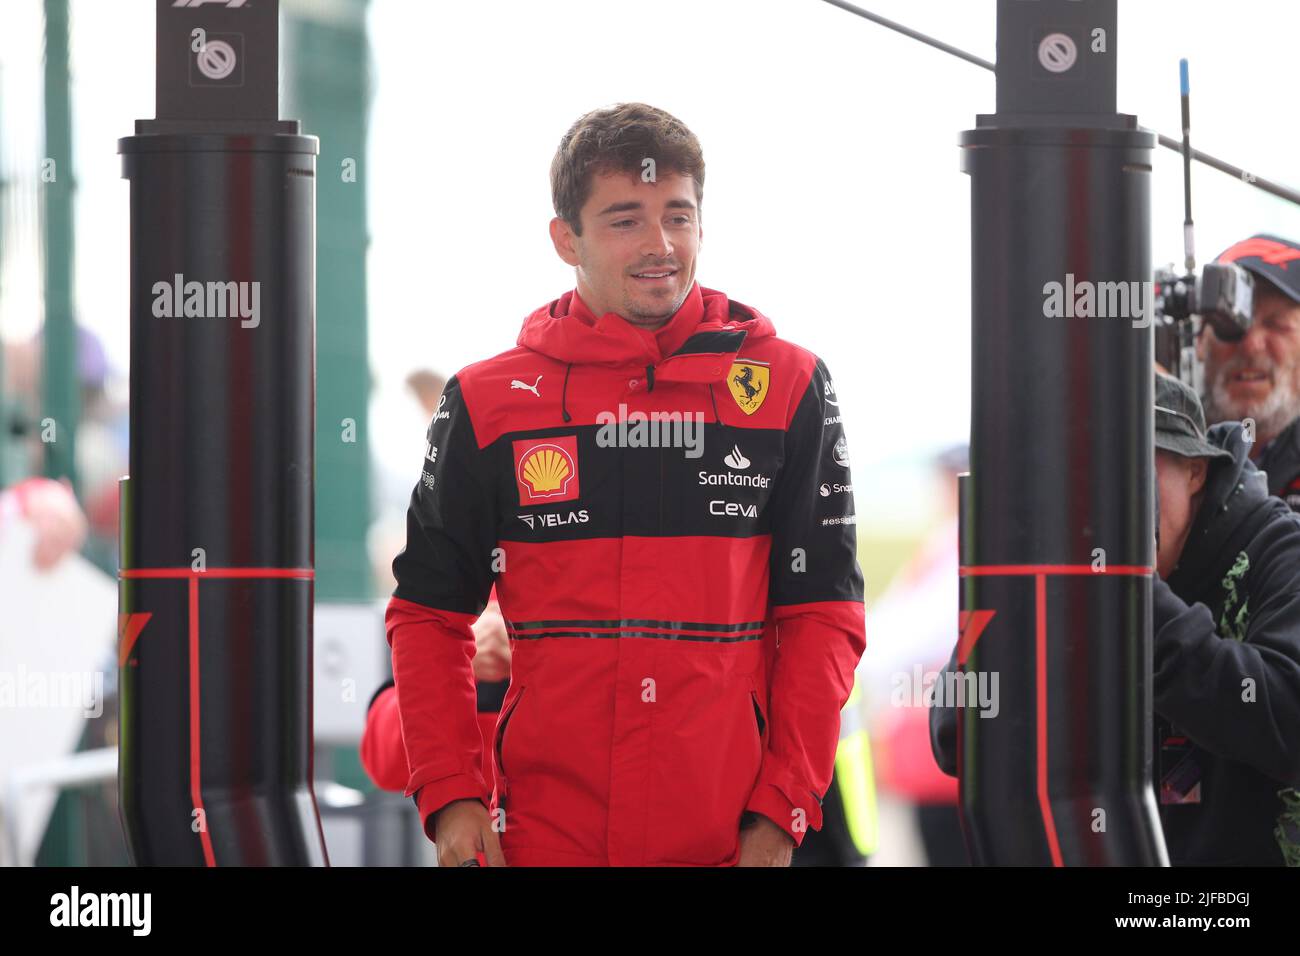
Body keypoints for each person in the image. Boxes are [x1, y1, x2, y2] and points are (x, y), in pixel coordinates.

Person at [386, 102, 865, 867]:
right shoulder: (486, 400)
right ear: (564, 238)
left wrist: (785, 810)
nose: (661, 245)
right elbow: (426, 616)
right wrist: (452, 795)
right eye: (625, 220)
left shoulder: (787, 384)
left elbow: (823, 616)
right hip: (542, 843)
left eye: (679, 215)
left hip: (726, 843)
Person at [930, 374, 1300, 865]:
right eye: (1087, 480)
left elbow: (1287, 718)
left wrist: (1135, 603)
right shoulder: (1063, 568)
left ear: (1195, 471)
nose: (1108, 506)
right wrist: (1018, 586)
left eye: (1128, 476)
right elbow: (954, 736)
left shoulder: (1275, 550)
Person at [1199, 234, 1300, 508]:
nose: (1251, 345)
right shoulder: (1145, 443)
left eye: (1276, 323)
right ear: (1199, 342)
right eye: (1229, 323)